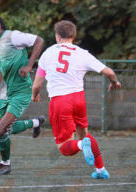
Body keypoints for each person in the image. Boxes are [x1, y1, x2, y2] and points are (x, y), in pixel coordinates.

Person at [32, 20, 121, 179]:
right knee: (85, 134)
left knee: (63, 147)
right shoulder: (82, 53)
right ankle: (101, 171)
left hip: (60, 101)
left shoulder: (48, 53)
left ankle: (81, 145)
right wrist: (114, 82)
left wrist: (35, 95)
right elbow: (109, 72)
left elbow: (37, 85)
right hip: (78, 99)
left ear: (57, 36)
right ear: (73, 36)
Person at [0, 13, 46, 175]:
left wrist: (30, 65)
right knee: (4, 129)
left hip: (21, 91)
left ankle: (5, 164)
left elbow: (39, 41)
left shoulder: (13, 36)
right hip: (6, 90)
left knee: (1, 131)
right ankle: (36, 123)